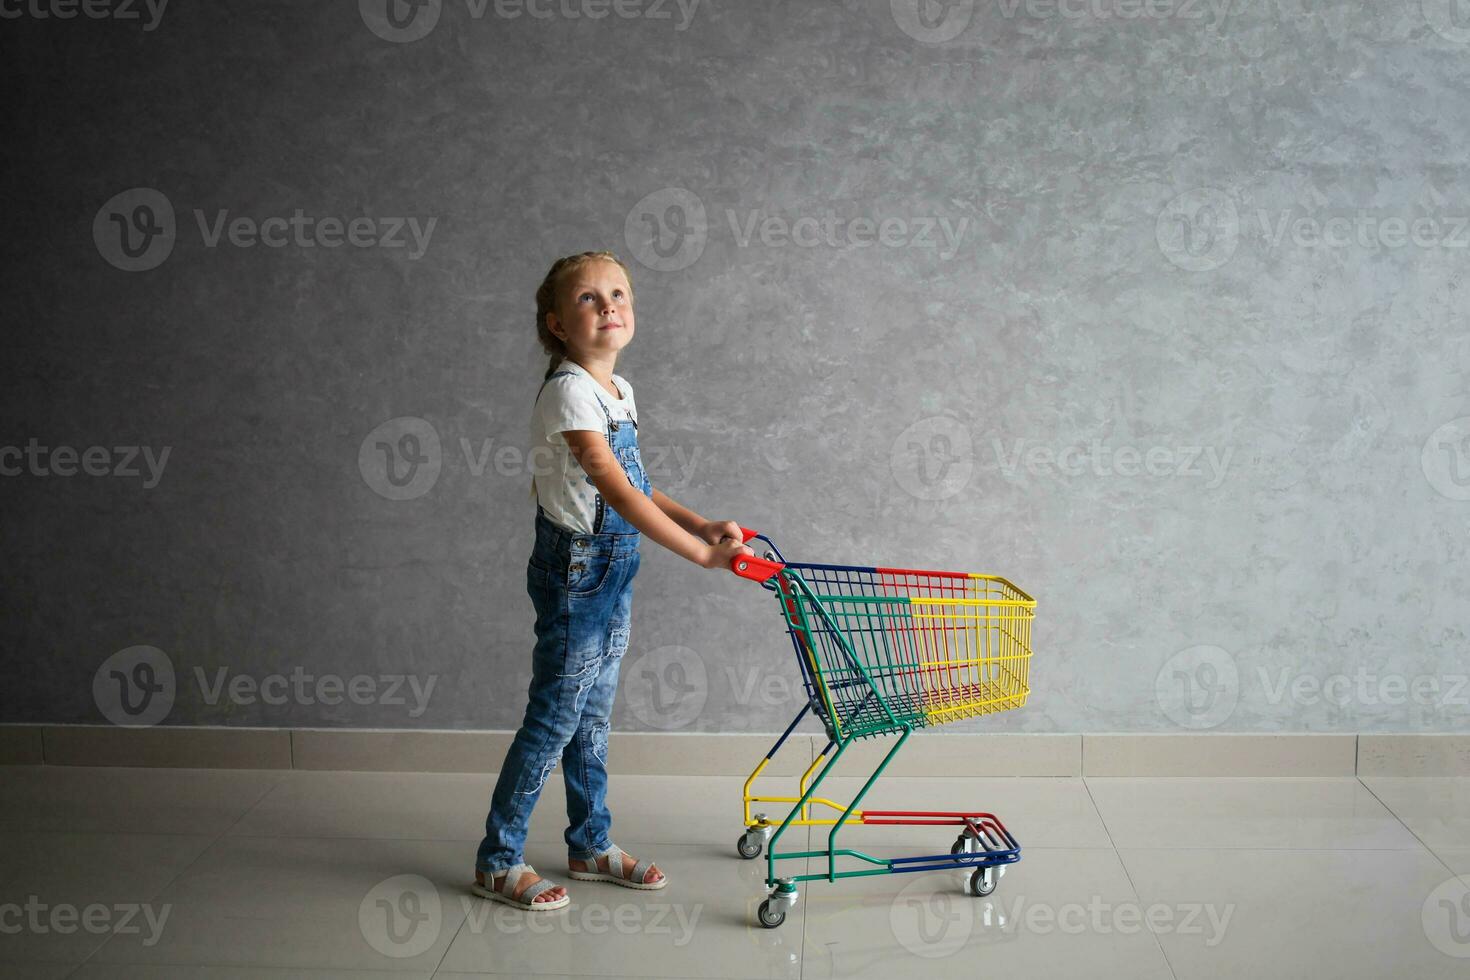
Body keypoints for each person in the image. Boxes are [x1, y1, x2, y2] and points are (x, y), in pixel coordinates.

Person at [472, 249, 754, 910]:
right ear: (558, 325)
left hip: (613, 571)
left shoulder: (618, 392)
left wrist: (701, 520)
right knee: (553, 720)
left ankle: (590, 844)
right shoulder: (569, 389)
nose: (609, 307)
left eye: (618, 294)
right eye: (589, 299)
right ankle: (496, 858)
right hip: (577, 575)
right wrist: (699, 554)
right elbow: (616, 493)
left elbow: (643, 487)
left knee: (591, 720)